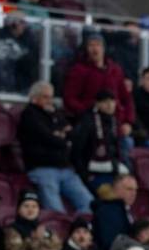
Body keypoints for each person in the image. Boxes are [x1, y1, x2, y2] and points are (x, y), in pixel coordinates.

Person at [18, 81, 94, 214]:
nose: (50, 100)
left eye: (51, 97)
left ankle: (79, 232)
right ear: (34, 97)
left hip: (65, 168)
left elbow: (72, 134)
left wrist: (60, 135)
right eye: (45, 97)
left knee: (90, 204)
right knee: (55, 211)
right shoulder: (29, 114)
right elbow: (46, 137)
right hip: (42, 168)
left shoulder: (56, 114)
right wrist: (60, 136)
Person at [63, 31, 135, 128]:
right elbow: (70, 98)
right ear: (86, 49)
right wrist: (88, 110)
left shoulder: (115, 70)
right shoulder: (78, 71)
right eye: (91, 45)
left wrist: (128, 121)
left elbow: (126, 98)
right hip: (90, 122)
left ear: (104, 48)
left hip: (115, 122)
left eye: (98, 45)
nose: (95, 49)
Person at [70, 89, 128, 189]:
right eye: (105, 102)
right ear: (97, 104)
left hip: (113, 169)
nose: (110, 105)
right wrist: (86, 176)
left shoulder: (114, 121)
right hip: (94, 172)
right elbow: (77, 150)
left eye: (112, 101)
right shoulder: (88, 122)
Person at [92, 174, 137, 250]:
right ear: (116, 190)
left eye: (135, 190)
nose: (134, 193)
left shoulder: (124, 210)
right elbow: (111, 244)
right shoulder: (108, 211)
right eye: (129, 189)